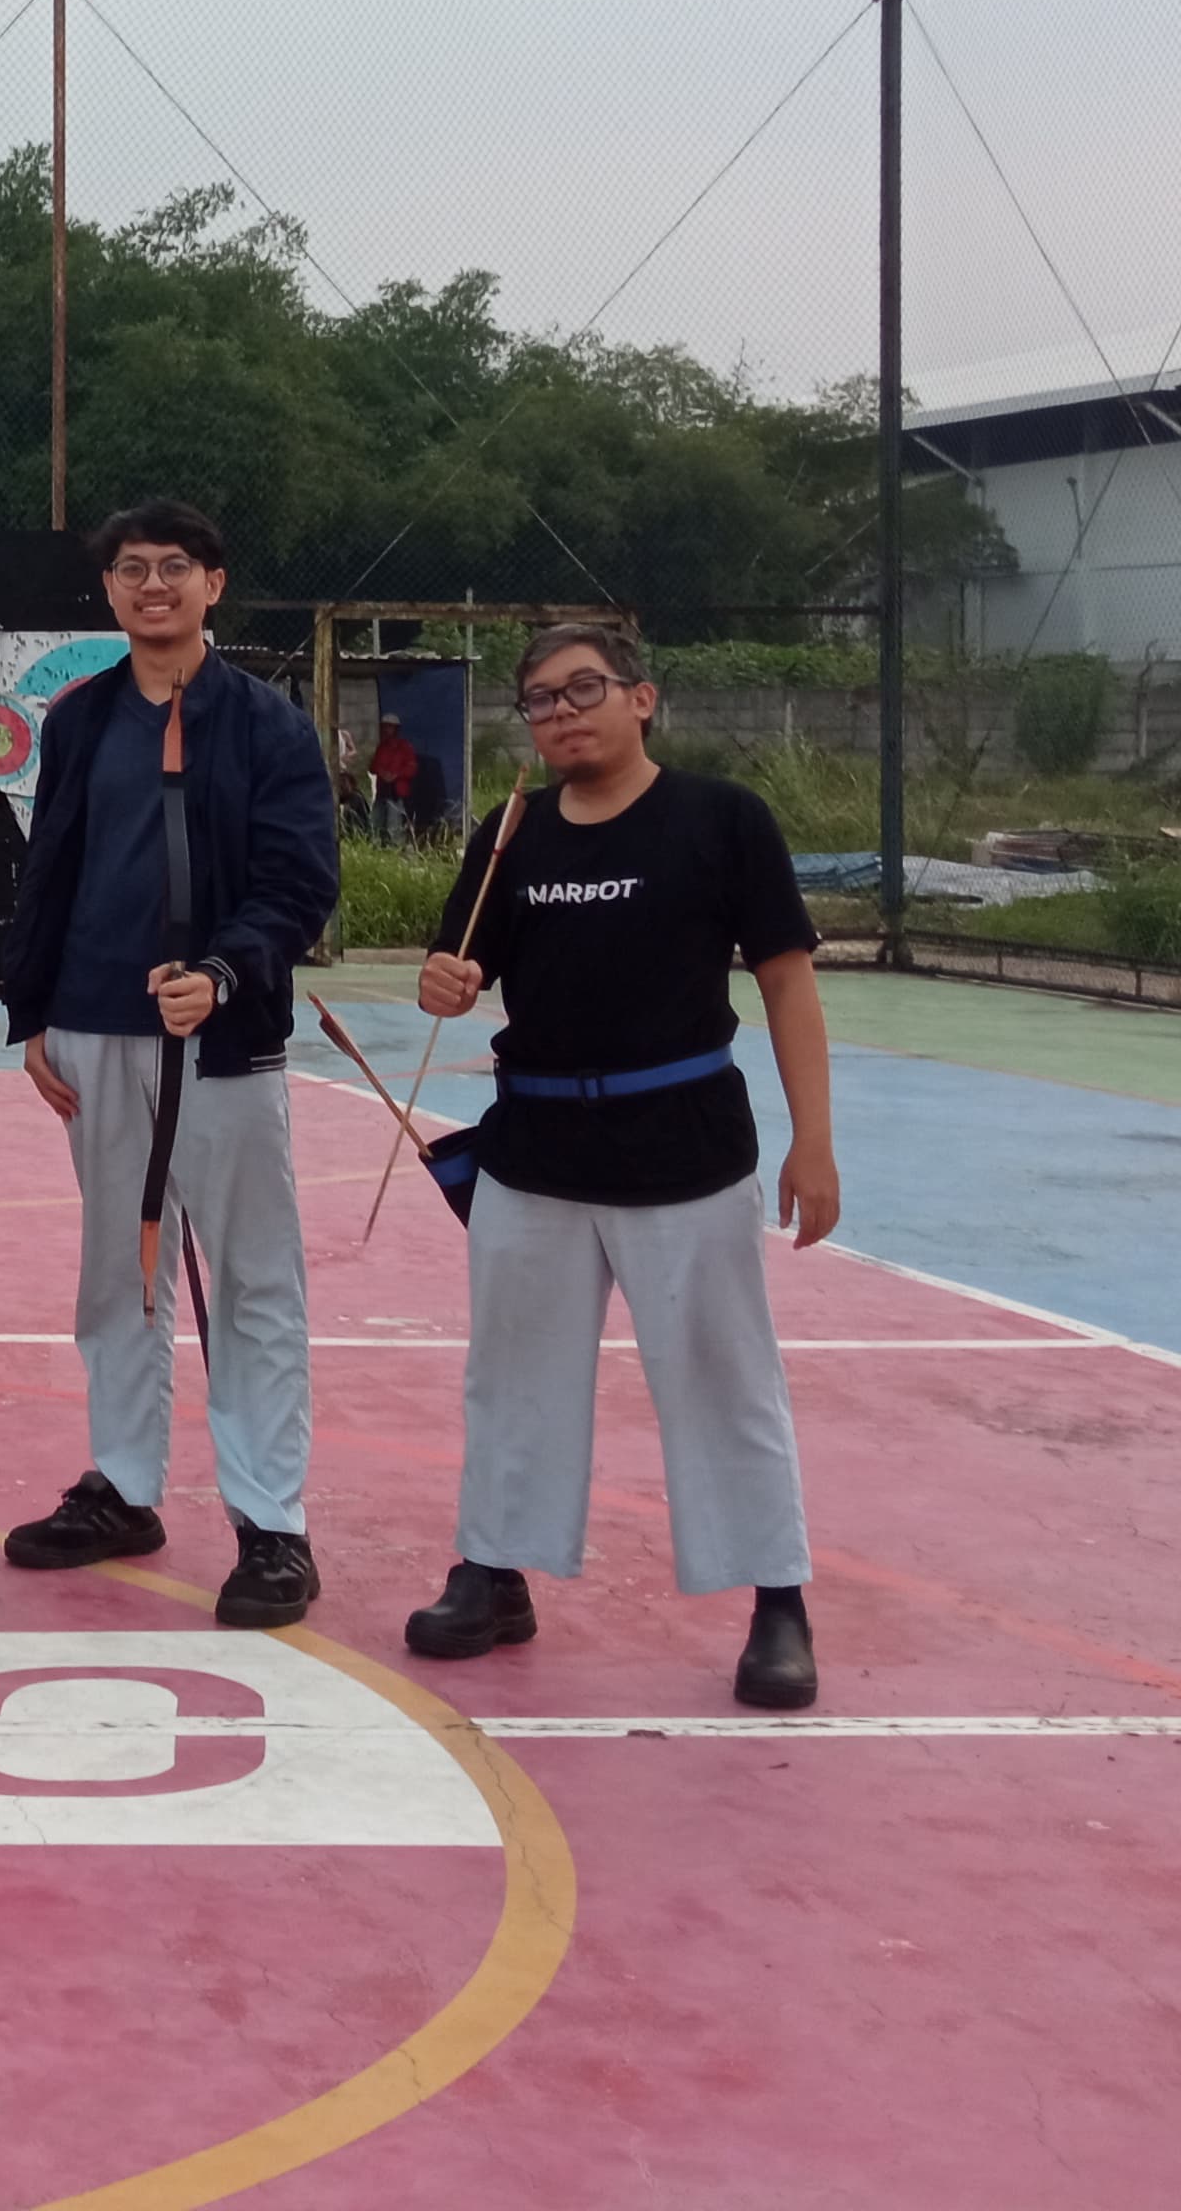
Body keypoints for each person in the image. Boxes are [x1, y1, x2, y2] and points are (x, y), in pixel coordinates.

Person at [401, 623, 837, 1711]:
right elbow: (459, 966)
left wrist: (813, 1139)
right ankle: (492, 1570)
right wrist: (442, 983)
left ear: (641, 698)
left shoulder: (722, 819)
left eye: (582, 689)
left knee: (722, 1379)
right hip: (533, 1154)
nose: (561, 714)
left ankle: (776, 1600)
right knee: (511, 1378)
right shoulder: (511, 832)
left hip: (684, 1149)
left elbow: (786, 980)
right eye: (540, 701)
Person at [0, 499, 342, 1630]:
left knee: (250, 1279)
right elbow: (52, 865)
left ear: (213, 584)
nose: (153, 585)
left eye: (175, 567)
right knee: (118, 1272)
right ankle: (123, 1486)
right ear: (107, 591)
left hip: (221, 1037)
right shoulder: (80, 719)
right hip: (93, 1028)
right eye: (132, 569)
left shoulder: (266, 725)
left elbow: (300, 880)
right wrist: (35, 1008)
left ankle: (271, 1524)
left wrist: (225, 972)